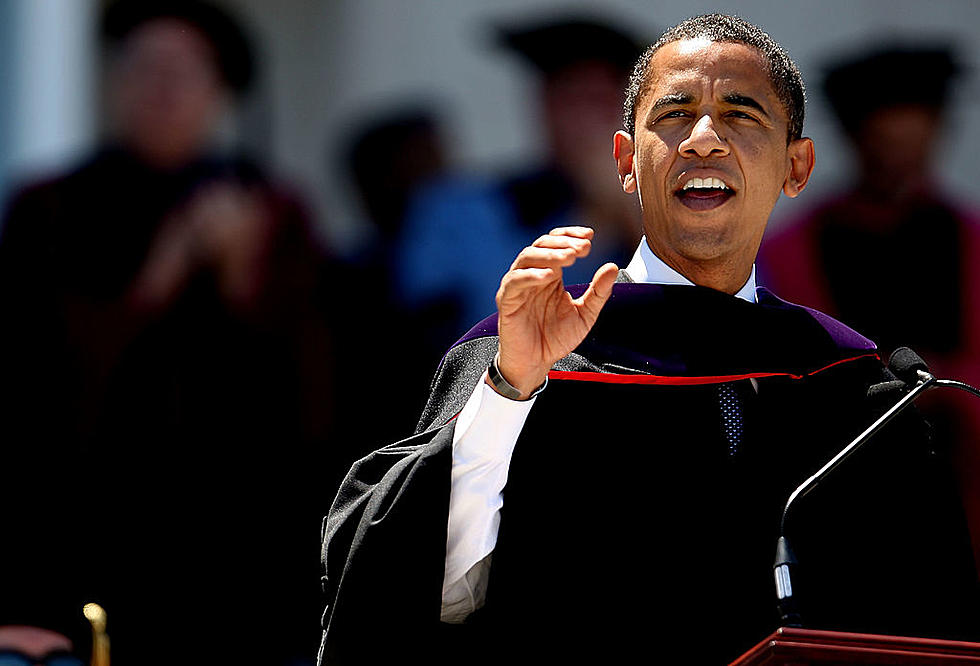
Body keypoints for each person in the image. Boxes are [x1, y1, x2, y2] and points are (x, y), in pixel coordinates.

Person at [318, 15, 979, 665]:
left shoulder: (851, 388)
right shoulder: (520, 359)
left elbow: (929, 628)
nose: (704, 140)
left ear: (795, 167)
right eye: (674, 113)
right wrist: (509, 391)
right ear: (627, 161)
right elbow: (427, 601)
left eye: (742, 114)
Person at [0, 1, 333, 663]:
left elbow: (312, 392)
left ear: (219, 93)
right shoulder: (52, 206)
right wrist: (164, 271)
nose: (162, 90)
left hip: (233, 546)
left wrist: (241, 281)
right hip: (85, 530)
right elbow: (37, 376)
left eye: (183, 72)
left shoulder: (274, 211)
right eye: (144, 69)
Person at [759, 44, 980, 572]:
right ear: (855, 135)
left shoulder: (969, 240)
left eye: (914, 132)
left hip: (964, 477)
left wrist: (944, 386)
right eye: (883, 136)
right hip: (841, 476)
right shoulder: (793, 247)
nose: (897, 154)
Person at [395, 16, 647, 360]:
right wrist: (593, 220)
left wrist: (630, 214)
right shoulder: (460, 207)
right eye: (569, 101)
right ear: (543, 107)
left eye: (599, 101)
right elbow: (477, 330)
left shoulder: (656, 208)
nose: (584, 122)